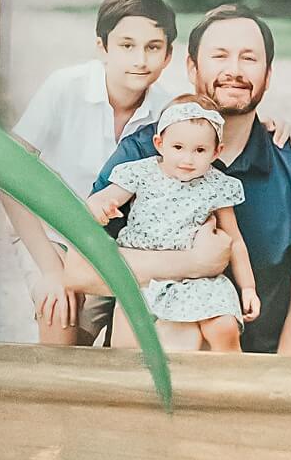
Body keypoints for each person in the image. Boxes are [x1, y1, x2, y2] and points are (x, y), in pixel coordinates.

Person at [65, 4, 291, 356]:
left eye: (249, 59)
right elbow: (79, 270)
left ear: (268, 74)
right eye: (219, 56)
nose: (234, 70)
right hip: (148, 370)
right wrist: (193, 263)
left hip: (248, 374)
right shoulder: (143, 152)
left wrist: (277, 391)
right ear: (192, 66)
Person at [0, 0, 179, 346]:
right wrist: (53, 271)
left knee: (137, 339)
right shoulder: (66, 87)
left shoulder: (167, 111)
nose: (140, 59)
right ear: (103, 47)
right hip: (53, 235)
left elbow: (212, 131)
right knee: (61, 314)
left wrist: (271, 125)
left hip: (122, 245)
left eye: (153, 47)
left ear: (169, 55)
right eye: (127, 45)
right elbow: (7, 175)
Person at [89, 94, 259, 353]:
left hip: (199, 279)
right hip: (147, 274)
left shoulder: (217, 185)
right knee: (129, 341)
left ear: (216, 152)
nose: (188, 159)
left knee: (223, 326)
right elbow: (108, 195)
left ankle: (231, 379)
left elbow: (234, 240)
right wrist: (101, 205)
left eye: (200, 150)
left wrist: (248, 287)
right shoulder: (142, 173)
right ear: (159, 143)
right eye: (178, 148)